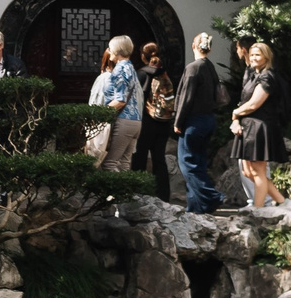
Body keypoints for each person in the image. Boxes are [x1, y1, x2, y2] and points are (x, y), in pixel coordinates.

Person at [232, 40, 289, 206]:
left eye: (258, 54)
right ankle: (282, 201)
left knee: (258, 171)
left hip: (260, 127)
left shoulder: (267, 77)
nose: (254, 57)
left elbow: (254, 104)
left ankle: (258, 209)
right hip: (249, 127)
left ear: (266, 57)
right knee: (248, 170)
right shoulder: (253, 74)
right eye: (252, 54)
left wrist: (235, 113)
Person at [174, 33, 225, 212]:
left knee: (187, 163)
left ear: (194, 46)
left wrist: (178, 121)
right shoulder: (210, 67)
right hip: (208, 119)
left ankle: (211, 196)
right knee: (199, 162)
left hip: (193, 122)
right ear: (209, 49)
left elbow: (186, 98)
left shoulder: (193, 68)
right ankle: (196, 205)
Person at [132, 41, 175, 201]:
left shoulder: (142, 74)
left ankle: (138, 193)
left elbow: (137, 99)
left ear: (143, 56)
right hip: (163, 122)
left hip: (145, 122)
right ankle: (163, 197)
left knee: (139, 158)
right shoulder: (164, 73)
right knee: (159, 159)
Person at [96, 36, 143, 172]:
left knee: (109, 164)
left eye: (110, 48)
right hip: (136, 121)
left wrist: (99, 113)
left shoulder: (120, 70)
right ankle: (124, 193)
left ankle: (112, 193)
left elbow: (120, 101)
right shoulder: (130, 67)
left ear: (117, 51)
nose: (109, 51)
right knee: (124, 164)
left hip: (124, 121)